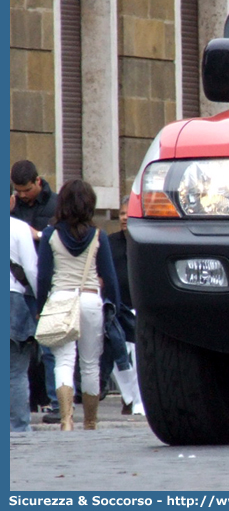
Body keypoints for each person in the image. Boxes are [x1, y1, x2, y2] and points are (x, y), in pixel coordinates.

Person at [35, 179, 120, 431]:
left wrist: (41, 307)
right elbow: (110, 277)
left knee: (63, 361)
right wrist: (113, 306)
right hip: (91, 299)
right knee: (90, 363)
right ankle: (91, 421)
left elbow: (43, 276)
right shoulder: (99, 236)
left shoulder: (50, 234)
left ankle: (66, 419)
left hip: (61, 299)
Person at [9, 159, 60, 423]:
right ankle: (26, 406)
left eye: (26, 190)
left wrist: (37, 234)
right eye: (16, 191)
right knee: (19, 358)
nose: (21, 195)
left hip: (43, 283)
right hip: (20, 289)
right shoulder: (14, 209)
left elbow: (57, 238)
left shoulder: (55, 204)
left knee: (49, 348)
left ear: (38, 182)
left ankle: (55, 403)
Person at [106, 196, 144, 415]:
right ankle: (129, 396)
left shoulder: (145, 242)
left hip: (140, 307)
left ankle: (138, 401)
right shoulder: (110, 242)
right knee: (116, 357)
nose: (124, 218)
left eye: (128, 213)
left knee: (139, 357)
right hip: (118, 307)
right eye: (121, 214)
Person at [10, 217, 38, 432]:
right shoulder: (19, 227)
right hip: (12, 300)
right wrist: (41, 300)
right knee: (16, 371)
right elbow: (31, 268)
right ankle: (18, 427)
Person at [10, 160, 58, 244]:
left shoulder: (58, 204)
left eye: (27, 190)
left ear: (38, 180)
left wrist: (39, 235)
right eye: (18, 191)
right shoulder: (12, 205)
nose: (22, 195)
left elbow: (65, 239)